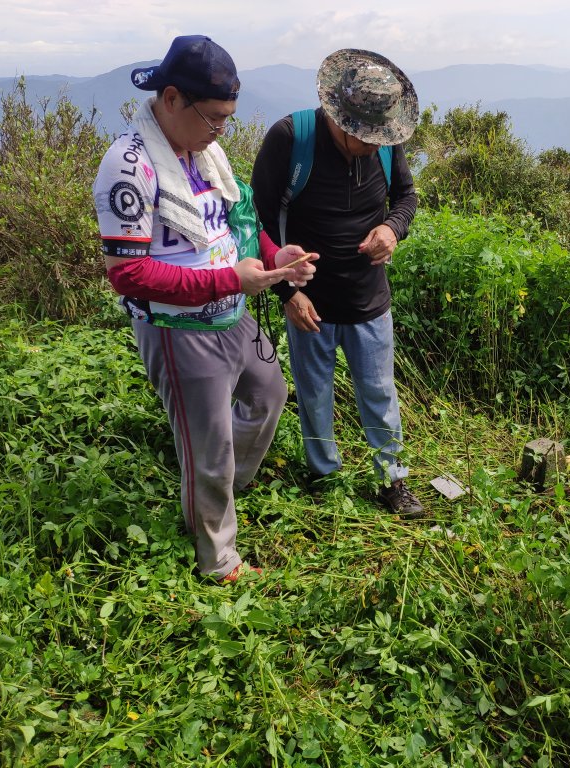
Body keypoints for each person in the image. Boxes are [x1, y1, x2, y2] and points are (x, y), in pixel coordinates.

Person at [92, 35, 317, 582]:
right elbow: (128, 275)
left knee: (267, 397)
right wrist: (227, 280)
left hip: (230, 309)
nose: (222, 130)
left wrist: (273, 256)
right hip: (177, 328)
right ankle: (217, 560)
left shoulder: (204, 152)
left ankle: (212, 489)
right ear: (171, 99)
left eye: (227, 120)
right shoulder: (129, 167)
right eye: (214, 118)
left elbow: (237, 223)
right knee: (209, 445)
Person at [250, 49, 424, 518]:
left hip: (369, 296)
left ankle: (391, 479)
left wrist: (391, 229)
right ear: (340, 121)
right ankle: (325, 476)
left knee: (379, 391)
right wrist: (287, 291)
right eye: (367, 140)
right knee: (314, 393)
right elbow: (257, 219)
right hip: (310, 300)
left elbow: (405, 196)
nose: (376, 148)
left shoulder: (385, 139)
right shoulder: (291, 139)